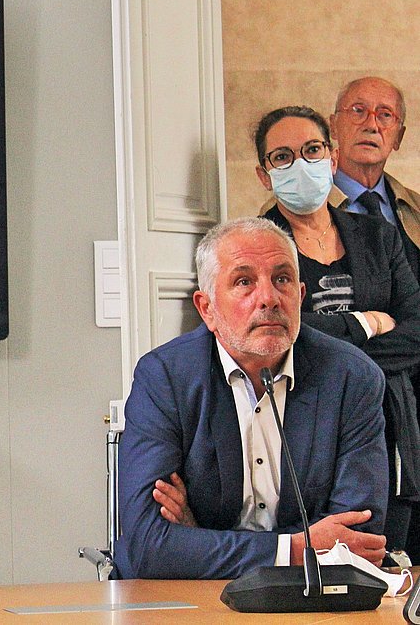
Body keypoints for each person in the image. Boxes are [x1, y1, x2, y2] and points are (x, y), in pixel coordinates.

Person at [115, 217, 388, 579]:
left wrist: (198, 540)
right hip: (187, 603)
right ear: (206, 308)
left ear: (300, 296)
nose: (269, 299)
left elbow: (356, 542)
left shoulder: (353, 378)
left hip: (308, 603)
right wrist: (295, 548)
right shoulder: (165, 378)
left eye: (282, 279)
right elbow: (146, 546)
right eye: (244, 282)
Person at [254, 106, 420, 553]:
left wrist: (322, 339)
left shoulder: (378, 237)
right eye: (282, 157)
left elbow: (418, 331)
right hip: (301, 421)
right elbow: (271, 337)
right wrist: (365, 323)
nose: (300, 164)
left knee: (388, 559)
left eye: (311, 150)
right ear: (265, 175)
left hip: (391, 421)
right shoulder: (257, 246)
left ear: (332, 158)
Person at [330, 78, 420, 280]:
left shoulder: (415, 209)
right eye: (358, 110)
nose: (371, 125)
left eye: (385, 115)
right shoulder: (295, 207)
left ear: (399, 137)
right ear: (333, 126)